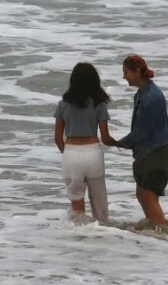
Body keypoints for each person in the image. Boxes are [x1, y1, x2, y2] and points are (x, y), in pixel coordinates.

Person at [53, 62, 118, 222]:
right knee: (100, 207)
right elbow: (105, 136)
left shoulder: (63, 105)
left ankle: (81, 241)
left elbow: (57, 137)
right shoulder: (99, 104)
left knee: (77, 211)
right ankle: (104, 238)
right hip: (93, 153)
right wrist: (122, 144)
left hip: (71, 154)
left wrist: (68, 152)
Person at [115, 54, 168, 228]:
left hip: (158, 151)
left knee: (148, 196)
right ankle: (156, 230)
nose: (124, 76)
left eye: (126, 72)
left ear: (137, 71)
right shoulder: (143, 93)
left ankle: (162, 232)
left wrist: (120, 143)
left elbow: (142, 131)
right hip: (148, 151)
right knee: (142, 194)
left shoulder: (152, 97)